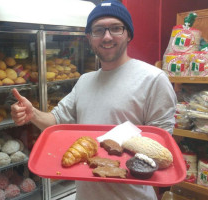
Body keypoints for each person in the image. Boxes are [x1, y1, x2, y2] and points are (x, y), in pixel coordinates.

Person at [11, 0, 177, 199]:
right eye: (98, 30)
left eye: (115, 28)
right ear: (89, 38)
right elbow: (56, 121)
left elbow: (160, 152)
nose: (107, 37)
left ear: (128, 34)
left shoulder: (154, 80)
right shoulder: (84, 81)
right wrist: (33, 114)